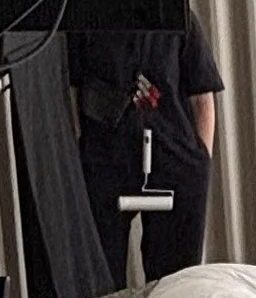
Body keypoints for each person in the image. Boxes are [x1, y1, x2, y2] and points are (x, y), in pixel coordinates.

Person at [67, 20, 224, 284]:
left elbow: (203, 96)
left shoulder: (180, 19)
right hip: (105, 164)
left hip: (176, 162)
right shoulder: (88, 24)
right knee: (100, 277)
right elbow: (71, 91)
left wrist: (201, 159)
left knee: (175, 282)